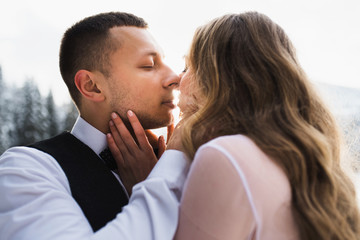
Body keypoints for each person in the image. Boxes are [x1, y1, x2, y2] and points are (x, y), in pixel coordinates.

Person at [108, 12, 360, 239]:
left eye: (188, 67)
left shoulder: (224, 156)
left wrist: (152, 182)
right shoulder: (295, 159)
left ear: (216, 78)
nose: (178, 79)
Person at [0, 12, 190, 240]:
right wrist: (159, 183)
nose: (175, 77)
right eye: (149, 65)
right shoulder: (26, 170)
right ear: (92, 86)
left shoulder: (189, 164)